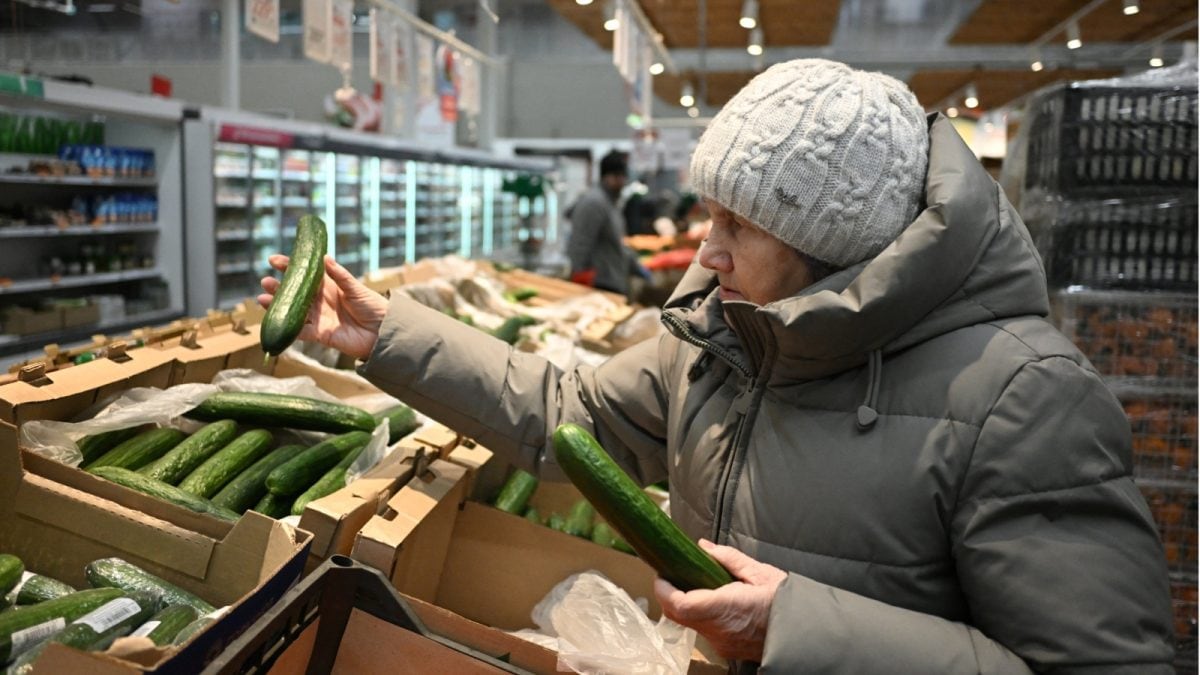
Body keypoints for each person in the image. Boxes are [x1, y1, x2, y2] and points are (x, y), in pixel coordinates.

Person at [260, 59, 1175, 672]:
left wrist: (797, 626)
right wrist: (388, 334)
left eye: (739, 224)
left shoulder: (1026, 398)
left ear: (837, 245)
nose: (707, 250)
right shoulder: (728, 338)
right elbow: (566, 409)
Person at [565, 150, 642, 294]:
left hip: (612, 280)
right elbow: (580, 244)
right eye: (619, 177)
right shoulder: (594, 203)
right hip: (599, 284)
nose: (623, 182)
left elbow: (617, 243)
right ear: (608, 177)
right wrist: (580, 281)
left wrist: (634, 265)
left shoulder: (610, 202)